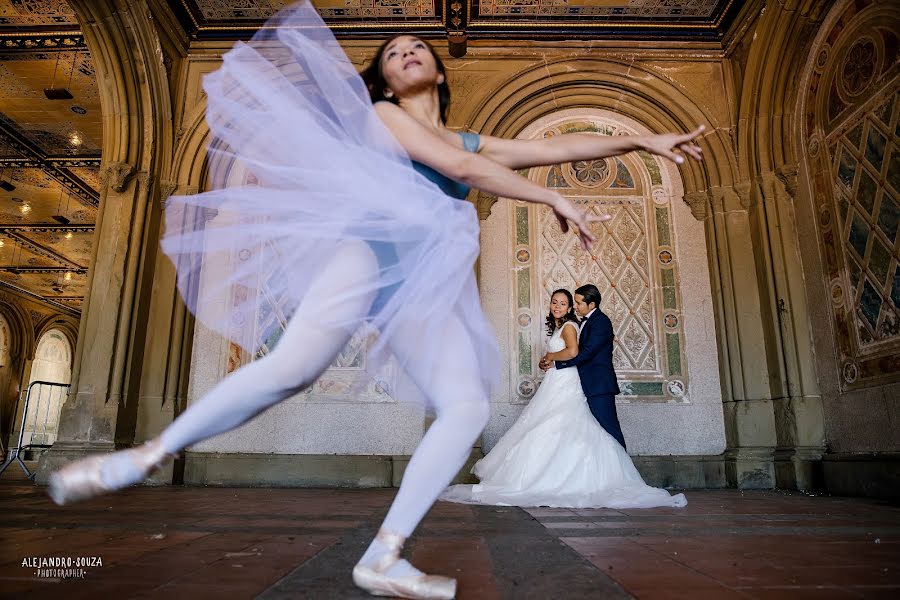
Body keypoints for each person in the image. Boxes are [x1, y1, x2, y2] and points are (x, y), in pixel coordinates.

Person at [47, 3, 703, 599]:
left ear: (439, 71)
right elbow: (466, 174)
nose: (409, 51)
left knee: (466, 406)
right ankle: (145, 455)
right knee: (290, 371)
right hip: (367, 254)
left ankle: (385, 555)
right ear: (386, 82)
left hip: (420, 277)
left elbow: (554, 146)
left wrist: (642, 140)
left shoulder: (465, 135)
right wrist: (555, 197)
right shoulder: (384, 116)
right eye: (394, 52)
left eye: (419, 46)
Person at [443, 289, 686, 509]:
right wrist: (549, 360)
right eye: (555, 302)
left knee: (603, 431)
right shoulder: (571, 324)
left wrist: (552, 357)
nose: (563, 306)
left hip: (590, 383)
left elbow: (578, 352)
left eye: (572, 303)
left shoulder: (585, 323)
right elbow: (573, 352)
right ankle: (594, 477)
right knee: (570, 428)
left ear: (582, 305)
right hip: (566, 379)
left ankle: (623, 479)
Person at [545, 284, 626, 448]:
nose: (575, 306)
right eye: (574, 302)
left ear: (592, 305)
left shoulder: (601, 322)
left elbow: (586, 353)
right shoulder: (584, 322)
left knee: (610, 429)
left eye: (579, 303)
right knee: (595, 433)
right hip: (585, 384)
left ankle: (624, 471)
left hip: (599, 385)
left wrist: (557, 363)